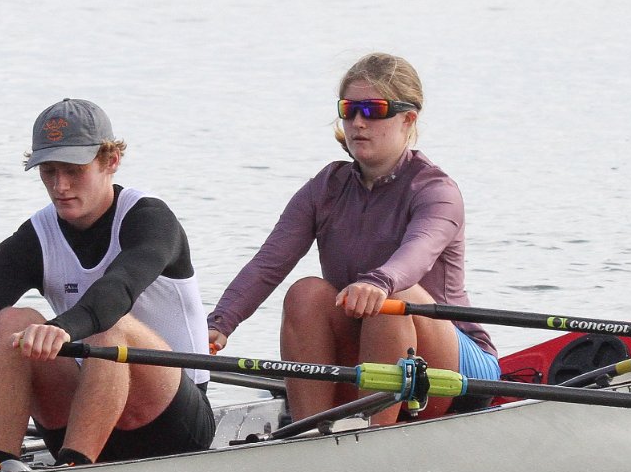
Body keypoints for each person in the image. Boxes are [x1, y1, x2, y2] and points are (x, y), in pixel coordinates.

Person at [0, 98, 215, 469]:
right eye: (48, 171)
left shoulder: (150, 220)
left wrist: (61, 329)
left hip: (175, 422)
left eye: (73, 170)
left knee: (110, 328)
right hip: (87, 412)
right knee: (11, 321)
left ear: (110, 161)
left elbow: (118, 290)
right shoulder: (35, 238)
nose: (60, 186)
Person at [207, 52, 499, 425]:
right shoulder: (325, 188)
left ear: (408, 118)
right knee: (306, 292)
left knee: (394, 300)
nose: (358, 122)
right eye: (349, 110)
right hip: (370, 351)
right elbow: (269, 263)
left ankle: (373, 436)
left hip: (456, 370)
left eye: (374, 110)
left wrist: (378, 283)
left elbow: (417, 253)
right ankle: (309, 433)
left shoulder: (437, 191)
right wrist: (218, 325)